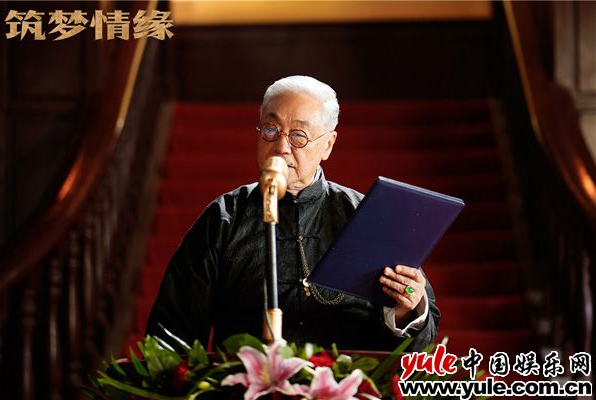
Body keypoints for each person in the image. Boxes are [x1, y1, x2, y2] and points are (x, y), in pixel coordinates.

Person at [146, 76, 440, 351]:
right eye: (270, 129)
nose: (281, 147)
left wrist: (408, 311)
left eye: (298, 135)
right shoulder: (223, 218)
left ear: (328, 145)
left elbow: (422, 341)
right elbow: (171, 332)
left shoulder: (367, 217)